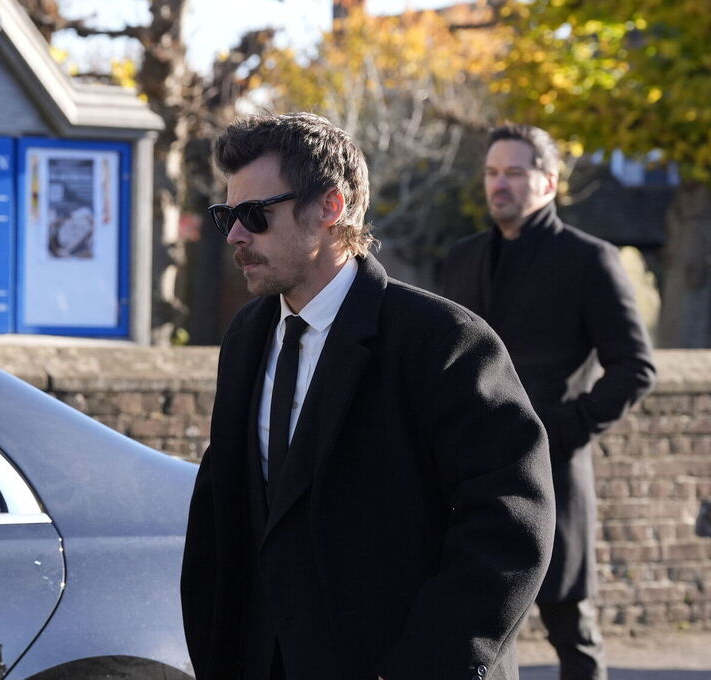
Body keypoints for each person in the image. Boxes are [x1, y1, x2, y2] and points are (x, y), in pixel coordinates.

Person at [181, 112, 556, 680]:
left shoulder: (444, 342)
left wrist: (428, 664)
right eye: (226, 215)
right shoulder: (247, 335)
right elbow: (223, 512)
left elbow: (510, 525)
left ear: (330, 208)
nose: (235, 234)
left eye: (256, 215)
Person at [443, 124, 656, 680]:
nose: (500, 184)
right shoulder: (460, 260)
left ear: (549, 181)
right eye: (492, 173)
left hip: (554, 479)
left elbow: (635, 368)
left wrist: (556, 430)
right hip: (466, 482)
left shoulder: (591, 261)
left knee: (574, 637)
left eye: (515, 172)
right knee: (462, 641)